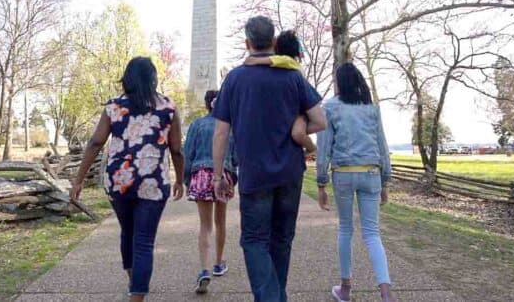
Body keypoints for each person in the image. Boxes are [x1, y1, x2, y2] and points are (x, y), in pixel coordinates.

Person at [212, 16, 326, 302]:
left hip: (255, 174)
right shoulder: (292, 76)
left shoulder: (235, 78)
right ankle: (277, 296)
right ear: (273, 42)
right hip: (290, 172)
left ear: (247, 43)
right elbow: (319, 120)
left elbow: (221, 132)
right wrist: (300, 125)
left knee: (253, 240)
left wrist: (217, 175)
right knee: (282, 239)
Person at [70, 57, 185, 302]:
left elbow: (95, 142)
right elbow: (176, 149)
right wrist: (179, 179)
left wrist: (79, 179)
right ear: (154, 78)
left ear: (128, 78)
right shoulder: (168, 108)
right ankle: (137, 293)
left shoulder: (114, 106)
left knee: (128, 232)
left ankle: (135, 282)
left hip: (118, 181)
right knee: (143, 241)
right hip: (153, 182)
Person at [315, 62, 395, 302]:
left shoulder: (329, 107)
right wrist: (385, 181)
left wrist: (321, 183)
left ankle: (346, 289)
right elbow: (383, 145)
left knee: (346, 230)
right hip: (371, 173)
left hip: (344, 173)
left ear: (339, 82)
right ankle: (386, 293)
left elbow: (324, 149)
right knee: (372, 234)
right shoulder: (371, 108)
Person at [183, 89, 238, 294]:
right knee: (220, 222)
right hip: (223, 175)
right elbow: (237, 154)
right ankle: (218, 263)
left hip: (201, 174)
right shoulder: (230, 126)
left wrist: (187, 179)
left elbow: (188, 153)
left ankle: (204, 270)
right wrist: (233, 176)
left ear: (207, 105)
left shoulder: (197, 124)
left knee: (205, 226)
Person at [244, 29, 317, 156]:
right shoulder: (292, 66)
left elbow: (278, 60)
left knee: (297, 133)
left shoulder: (289, 63)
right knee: (295, 132)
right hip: (298, 110)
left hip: (302, 112)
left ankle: (311, 148)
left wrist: (256, 60)